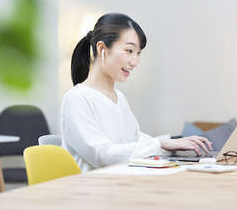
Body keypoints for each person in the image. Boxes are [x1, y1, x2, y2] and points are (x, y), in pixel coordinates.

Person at [61, 13, 212, 171]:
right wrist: (159, 144)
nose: (135, 62)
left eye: (138, 53)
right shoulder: (76, 99)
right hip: (92, 191)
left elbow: (135, 140)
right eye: (129, 51)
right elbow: (101, 155)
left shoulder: (119, 98)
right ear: (102, 48)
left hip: (123, 184)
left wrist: (171, 144)